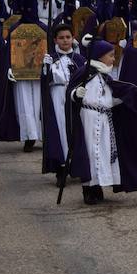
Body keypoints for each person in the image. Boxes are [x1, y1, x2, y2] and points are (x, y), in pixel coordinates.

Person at [66, 38, 137, 205]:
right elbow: (71, 92)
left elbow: (109, 97)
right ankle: (88, 188)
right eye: (111, 56)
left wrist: (124, 99)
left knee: (103, 153)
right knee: (90, 153)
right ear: (99, 56)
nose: (114, 59)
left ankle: (98, 186)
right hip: (88, 118)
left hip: (105, 119)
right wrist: (76, 94)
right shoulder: (84, 73)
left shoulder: (105, 76)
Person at [0, 0, 46, 152]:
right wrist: (9, 69)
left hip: (40, 74)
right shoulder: (15, 28)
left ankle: (41, 134)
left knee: (40, 104)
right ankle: (29, 136)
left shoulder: (44, 29)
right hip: (21, 73)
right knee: (24, 103)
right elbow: (7, 52)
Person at [41, 24, 86, 185]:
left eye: (68, 37)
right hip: (58, 96)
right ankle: (62, 168)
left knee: (77, 130)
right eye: (61, 38)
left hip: (75, 98)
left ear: (73, 38)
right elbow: (45, 83)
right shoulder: (51, 59)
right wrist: (46, 69)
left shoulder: (80, 59)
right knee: (61, 130)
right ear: (55, 40)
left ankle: (79, 166)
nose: (65, 40)